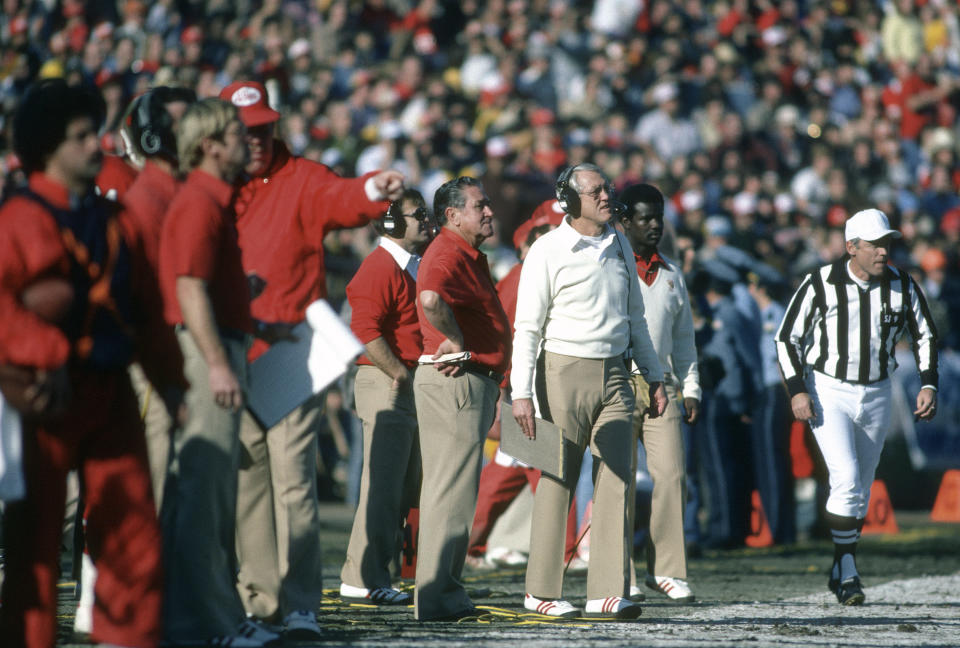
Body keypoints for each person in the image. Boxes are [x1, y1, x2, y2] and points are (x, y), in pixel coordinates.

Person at [219, 79, 405, 638]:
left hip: (291, 357)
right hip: (232, 350)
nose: (257, 140)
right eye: (246, 131)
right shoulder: (211, 185)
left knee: (294, 483)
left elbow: (342, 199)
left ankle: (299, 604)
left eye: (265, 129)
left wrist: (373, 187)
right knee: (247, 487)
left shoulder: (300, 177)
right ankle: (258, 600)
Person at [0, 79, 166, 648]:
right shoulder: (18, 218)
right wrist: (49, 352)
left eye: (94, 132)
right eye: (79, 137)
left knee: (134, 538)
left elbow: (145, 309)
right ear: (47, 146)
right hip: (45, 398)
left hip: (109, 393)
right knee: (37, 549)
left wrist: (175, 386)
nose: (97, 146)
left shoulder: (113, 218)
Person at [511, 163, 667, 619]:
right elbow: (527, 328)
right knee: (557, 480)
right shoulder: (545, 249)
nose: (607, 196)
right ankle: (540, 591)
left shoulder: (620, 241)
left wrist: (654, 377)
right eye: (597, 190)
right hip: (560, 370)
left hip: (617, 373)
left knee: (618, 477)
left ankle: (606, 592)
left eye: (607, 189)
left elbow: (635, 317)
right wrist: (522, 393)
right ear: (569, 199)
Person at [74, 84, 196, 638]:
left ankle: (104, 591)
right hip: (103, 346)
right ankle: (95, 587)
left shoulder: (161, 184)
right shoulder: (125, 184)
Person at [158, 98, 276, 647]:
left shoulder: (211, 200)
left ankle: (209, 619)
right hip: (209, 357)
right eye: (234, 132)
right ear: (210, 144)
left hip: (219, 347)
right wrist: (217, 364)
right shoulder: (199, 202)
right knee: (203, 502)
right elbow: (187, 288)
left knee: (211, 499)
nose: (245, 141)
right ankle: (209, 626)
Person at [776, 208, 938, 605]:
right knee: (846, 477)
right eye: (875, 244)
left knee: (861, 487)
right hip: (829, 388)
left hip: (879, 389)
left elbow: (925, 334)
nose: (884, 251)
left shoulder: (901, 283)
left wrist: (929, 383)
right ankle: (848, 569)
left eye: (887, 243)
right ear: (852, 247)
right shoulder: (821, 282)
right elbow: (786, 338)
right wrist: (797, 389)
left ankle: (840, 563)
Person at [413, 176, 512, 621]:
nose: (488, 211)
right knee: (450, 493)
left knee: (449, 491)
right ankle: (439, 596)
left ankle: (440, 591)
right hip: (460, 381)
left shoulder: (461, 251)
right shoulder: (448, 250)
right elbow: (430, 296)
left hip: (468, 383)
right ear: (452, 215)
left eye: (487, 203)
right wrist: (454, 339)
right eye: (479, 205)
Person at [339, 189, 435, 605]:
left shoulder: (408, 264)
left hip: (400, 379)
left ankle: (379, 573)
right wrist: (398, 372)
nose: (426, 221)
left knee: (399, 487)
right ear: (392, 223)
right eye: (417, 215)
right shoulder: (380, 266)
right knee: (381, 486)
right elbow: (364, 329)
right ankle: (362, 577)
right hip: (387, 380)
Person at [617, 183, 701, 603]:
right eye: (645, 218)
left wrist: (692, 388)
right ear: (625, 220)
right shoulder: (611, 265)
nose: (654, 225)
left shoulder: (671, 273)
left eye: (658, 217)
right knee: (621, 481)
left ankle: (666, 569)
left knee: (672, 476)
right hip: (617, 382)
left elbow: (684, 339)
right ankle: (621, 572)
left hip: (664, 386)